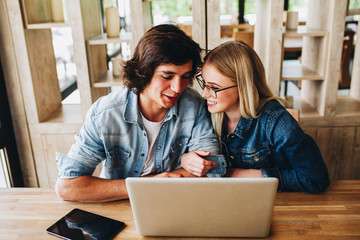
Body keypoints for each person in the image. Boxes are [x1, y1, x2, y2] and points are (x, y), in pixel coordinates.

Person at [55, 24, 221, 202]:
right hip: (120, 205)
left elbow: (213, 169)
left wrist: (159, 182)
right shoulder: (106, 114)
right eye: (167, 77)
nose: (178, 88)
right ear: (144, 71)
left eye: (185, 76)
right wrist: (152, 184)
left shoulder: (193, 105)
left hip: (174, 202)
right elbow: (68, 186)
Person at [181, 41, 330, 193]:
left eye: (214, 88)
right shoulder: (206, 113)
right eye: (204, 84)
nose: (204, 94)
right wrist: (185, 159)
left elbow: (316, 178)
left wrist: (235, 174)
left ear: (243, 86)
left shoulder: (277, 122)